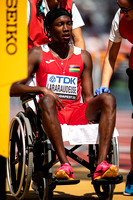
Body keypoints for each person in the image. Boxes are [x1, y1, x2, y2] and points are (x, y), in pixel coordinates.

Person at [11, 8, 118, 183]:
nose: (66, 28)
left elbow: (89, 96)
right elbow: (13, 88)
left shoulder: (83, 56)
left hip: (77, 112)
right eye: (60, 24)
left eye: (69, 24)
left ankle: (101, 165)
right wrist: (42, 89)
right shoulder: (37, 54)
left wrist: (98, 114)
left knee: (108, 98)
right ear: (49, 30)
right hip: (52, 114)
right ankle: (64, 164)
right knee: (46, 99)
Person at [95, 0, 133, 196]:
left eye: (128, 9)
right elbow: (110, 56)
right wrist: (103, 86)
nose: (124, 13)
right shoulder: (119, 18)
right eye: (121, 8)